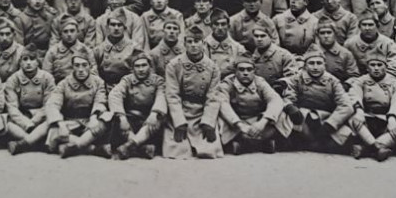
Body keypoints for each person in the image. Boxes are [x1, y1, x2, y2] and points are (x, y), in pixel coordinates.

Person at [163, 26, 224, 160]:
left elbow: (213, 97)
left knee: (209, 151)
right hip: (181, 109)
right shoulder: (174, 65)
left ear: (203, 43)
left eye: (197, 41)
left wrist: (208, 121)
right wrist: (179, 121)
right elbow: (172, 95)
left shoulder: (213, 67)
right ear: (184, 44)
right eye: (189, 42)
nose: (193, 45)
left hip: (202, 111)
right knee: (177, 151)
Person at [280, 50, 354, 152]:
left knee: (345, 135)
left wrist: (330, 124)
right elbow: (288, 96)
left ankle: (310, 145)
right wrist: (290, 107)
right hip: (302, 118)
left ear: (325, 65)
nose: (315, 67)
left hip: (325, 119)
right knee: (284, 120)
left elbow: (346, 105)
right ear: (305, 65)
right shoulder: (297, 79)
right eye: (311, 63)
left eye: (319, 63)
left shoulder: (333, 81)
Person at [346, 50, 396, 160]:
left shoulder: (395, 84)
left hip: (385, 118)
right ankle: (376, 149)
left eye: (379, 65)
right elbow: (354, 94)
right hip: (366, 117)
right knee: (353, 118)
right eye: (372, 65)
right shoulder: (361, 81)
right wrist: (359, 111)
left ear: (386, 67)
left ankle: (367, 149)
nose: (376, 68)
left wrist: (392, 118)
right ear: (367, 67)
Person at [218, 56, 289, 155]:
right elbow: (223, 104)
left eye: (249, 69)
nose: (245, 73)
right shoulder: (227, 83)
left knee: (283, 114)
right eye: (241, 69)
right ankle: (260, 143)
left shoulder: (260, 82)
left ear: (254, 71)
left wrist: (263, 121)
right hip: (237, 122)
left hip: (258, 120)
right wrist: (239, 124)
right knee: (219, 116)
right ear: (235, 71)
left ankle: (246, 144)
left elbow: (275, 100)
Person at [45, 52, 109, 157]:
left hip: (90, 122)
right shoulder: (64, 83)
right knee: (53, 128)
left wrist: (94, 117)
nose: (80, 69)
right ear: (72, 67)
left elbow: (100, 101)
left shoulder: (98, 82)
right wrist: (61, 125)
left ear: (90, 66)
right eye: (77, 65)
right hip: (71, 122)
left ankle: (73, 147)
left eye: (84, 65)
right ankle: (93, 149)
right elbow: (53, 104)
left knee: (107, 118)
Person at [108, 52, 168, 159]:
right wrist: (122, 117)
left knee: (159, 118)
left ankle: (130, 146)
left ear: (150, 66)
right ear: (132, 68)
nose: (141, 69)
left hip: (149, 119)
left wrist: (154, 113)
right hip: (131, 118)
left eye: (144, 65)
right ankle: (140, 148)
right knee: (118, 120)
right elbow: (114, 95)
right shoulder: (127, 80)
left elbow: (161, 96)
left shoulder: (158, 80)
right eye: (137, 66)